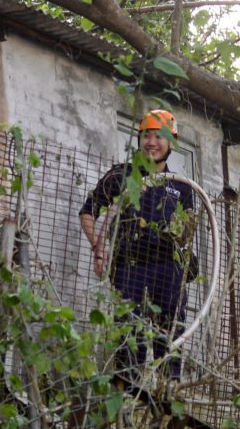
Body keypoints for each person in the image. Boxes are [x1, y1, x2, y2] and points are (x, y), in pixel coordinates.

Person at [79, 109, 196, 379]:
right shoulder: (121, 175)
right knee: (129, 342)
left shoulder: (182, 187)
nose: (151, 142)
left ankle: (165, 403)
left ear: (171, 143)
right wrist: (99, 248)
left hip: (169, 272)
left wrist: (182, 230)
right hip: (129, 270)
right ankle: (129, 402)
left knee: (169, 341)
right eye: (146, 135)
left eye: (158, 136)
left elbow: (187, 232)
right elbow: (88, 212)